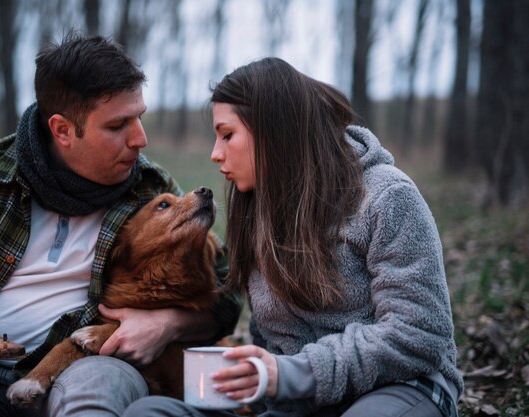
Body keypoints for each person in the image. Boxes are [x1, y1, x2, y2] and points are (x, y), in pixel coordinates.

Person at [0, 33, 241, 417]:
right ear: (62, 130)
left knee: (99, 385)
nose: (140, 139)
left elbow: (227, 294)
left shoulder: (151, 188)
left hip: (80, 373)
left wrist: (168, 324)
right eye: (117, 126)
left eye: (140, 118)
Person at [122, 57, 463, 417]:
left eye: (227, 135)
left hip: (400, 389)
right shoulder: (256, 208)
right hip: (301, 404)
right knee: (150, 412)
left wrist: (292, 374)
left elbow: (418, 334)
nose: (215, 153)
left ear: (274, 130)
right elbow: (270, 343)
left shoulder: (386, 197)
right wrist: (251, 379)